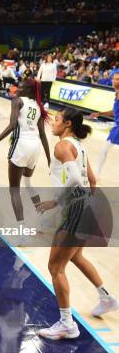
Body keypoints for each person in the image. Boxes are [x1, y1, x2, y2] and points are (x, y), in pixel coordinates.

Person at [36, 108, 118, 340]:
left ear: (68, 124)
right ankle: (106, 297)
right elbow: (91, 179)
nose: (53, 122)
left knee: (55, 267)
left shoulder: (62, 146)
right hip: (86, 207)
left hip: (74, 209)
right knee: (75, 257)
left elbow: (73, 179)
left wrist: (58, 202)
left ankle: (67, 324)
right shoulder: (79, 147)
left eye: (58, 119)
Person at [0, 78, 51, 221]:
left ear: (28, 90)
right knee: (28, 183)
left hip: (21, 145)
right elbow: (42, 135)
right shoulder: (38, 106)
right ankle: (42, 218)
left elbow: (12, 125)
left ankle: (21, 231)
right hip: (35, 147)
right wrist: (50, 160)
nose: (17, 89)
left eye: (21, 87)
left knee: (14, 191)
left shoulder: (17, 101)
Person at [90, 71, 119, 179]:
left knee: (104, 150)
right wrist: (100, 113)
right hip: (117, 126)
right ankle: (96, 175)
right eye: (113, 78)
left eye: (116, 79)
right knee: (104, 150)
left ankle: (96, 175)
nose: (113, 80)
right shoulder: (117, 93)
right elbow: (114, 111)